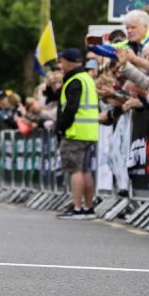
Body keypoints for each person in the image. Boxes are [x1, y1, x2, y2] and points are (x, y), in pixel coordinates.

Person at [55, 48, 99, 220]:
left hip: (75, 132)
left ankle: (77, 207)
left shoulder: (74, 80)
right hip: (89, 132)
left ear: (67, 62)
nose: (60, 65)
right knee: (85, 170)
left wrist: (62, 127)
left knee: (75, 171)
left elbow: (71, 108)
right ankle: (88, 208)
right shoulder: (86, 78)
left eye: (61, 61)